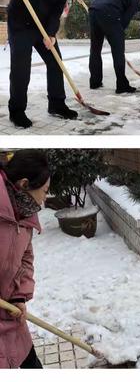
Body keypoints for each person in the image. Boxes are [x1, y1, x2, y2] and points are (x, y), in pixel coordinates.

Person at [0, 0, 91, 128]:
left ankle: (57, 104)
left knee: (56, 63)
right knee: (21, 69)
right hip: (21, 23)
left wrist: (50, 33)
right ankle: (17, 112)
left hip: (42, 27)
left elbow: (57, 9)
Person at [0, 150, 50, 368]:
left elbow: (26, 257)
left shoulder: (26, 212)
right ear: (24, 184)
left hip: (9, 311)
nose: (45, 197)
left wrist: (19, 295)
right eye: (45, 191)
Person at [77, 0, 140, 94]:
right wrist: (114, 34)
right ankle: (122, 85)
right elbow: (124, 21)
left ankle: (95, 82)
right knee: (118, 51)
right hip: (110, 12)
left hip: (94, 11)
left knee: (95, 49)